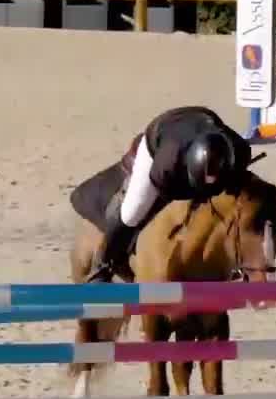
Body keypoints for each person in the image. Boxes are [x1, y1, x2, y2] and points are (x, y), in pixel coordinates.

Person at [84, 106, 256, 283]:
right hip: (160, 135)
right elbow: (165, 192)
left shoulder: (240, 151)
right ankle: (103, 265)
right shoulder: (168, 162)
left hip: (200, 123)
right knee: (132, 213)